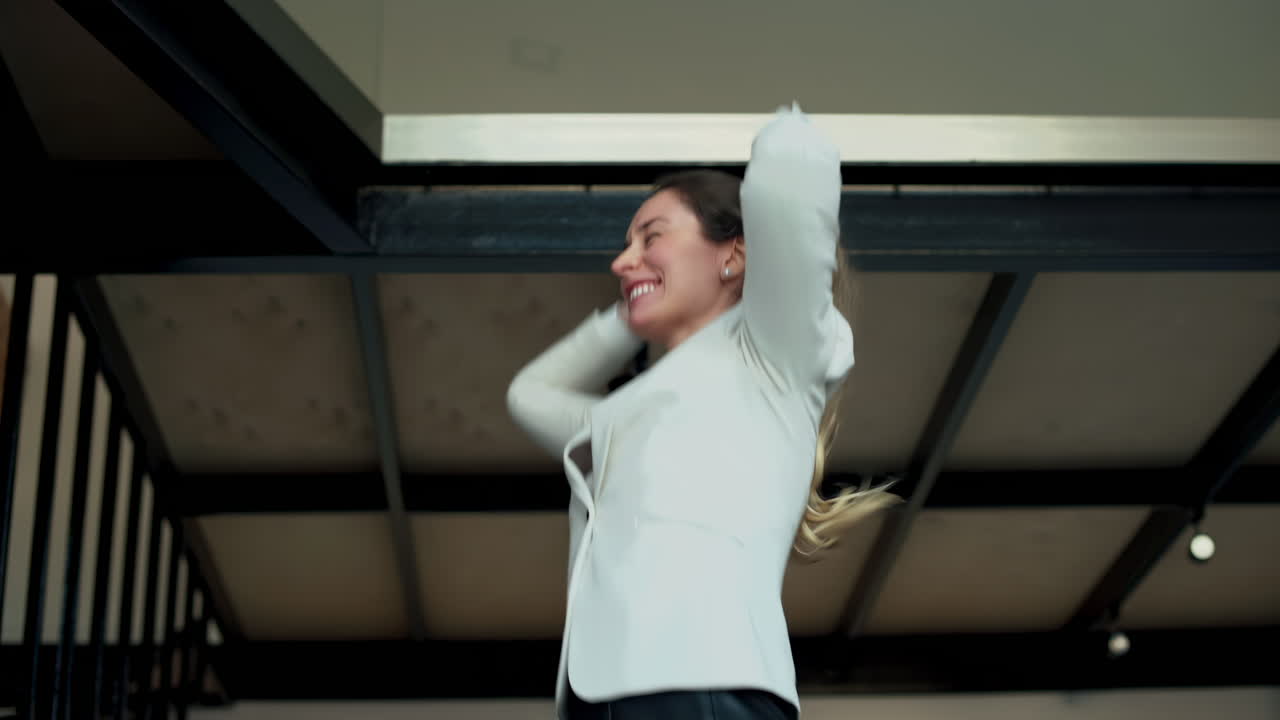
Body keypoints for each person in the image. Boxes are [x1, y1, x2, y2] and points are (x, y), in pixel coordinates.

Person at [506, 103, 897, 720]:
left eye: (650, 236)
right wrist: (631, 309)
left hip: (701, 683)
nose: (621, 259)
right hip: (600, 698)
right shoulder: (623, 416)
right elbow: (529, 395)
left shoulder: (775, 350)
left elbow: (793, 170)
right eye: (626, 246)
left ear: (734, 255)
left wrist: (785, 116)